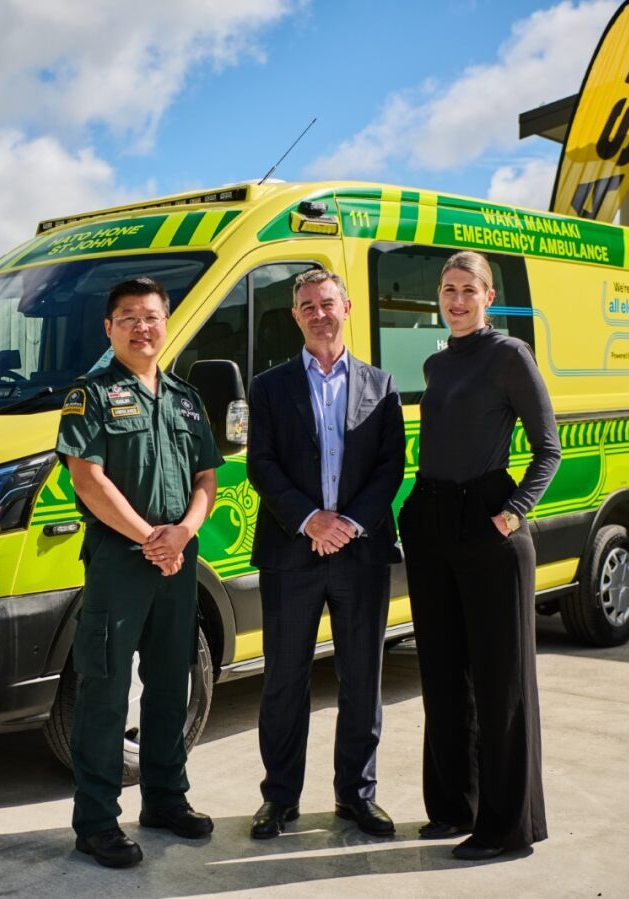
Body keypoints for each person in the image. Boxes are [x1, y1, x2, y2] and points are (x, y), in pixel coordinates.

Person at [396, 250, 560, 861]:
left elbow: (549, 448)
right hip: (432, 519)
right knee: (441, 673)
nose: (456, 298)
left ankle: (506, 828)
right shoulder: (438, 363)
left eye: (469, 288)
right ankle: (452, 807)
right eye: (447, 288)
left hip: (488, 520)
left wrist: (513, 512)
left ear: (489, 296)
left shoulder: (509, 355)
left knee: (501, 683)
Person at [56, 276, 224, 868]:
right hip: (120, 562)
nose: (141, 326)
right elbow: (87, 478)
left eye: (151, 316)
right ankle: (97, 822)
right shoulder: (92, 394)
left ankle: (165, 801)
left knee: (171, 683)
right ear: (110, 328)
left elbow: (207, 476)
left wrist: (182, 533)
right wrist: (150, 537)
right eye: (128, 317)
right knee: (104, 690)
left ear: (166, 322)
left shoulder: (185, 397)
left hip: (178, 559)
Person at [245, 268, 406, 839]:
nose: (318, 313)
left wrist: (351, 524)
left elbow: (392, 466)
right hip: (292, 554)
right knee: (284, 682)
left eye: (327, 303)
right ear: (295, 316)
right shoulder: (268, 387)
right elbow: (260, 465)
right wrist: (312, 520)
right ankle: (279, 800)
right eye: (307, 305)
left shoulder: (380, 386)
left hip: (360, 555)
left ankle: (357, 797)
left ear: (348, 308)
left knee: (362, 680)